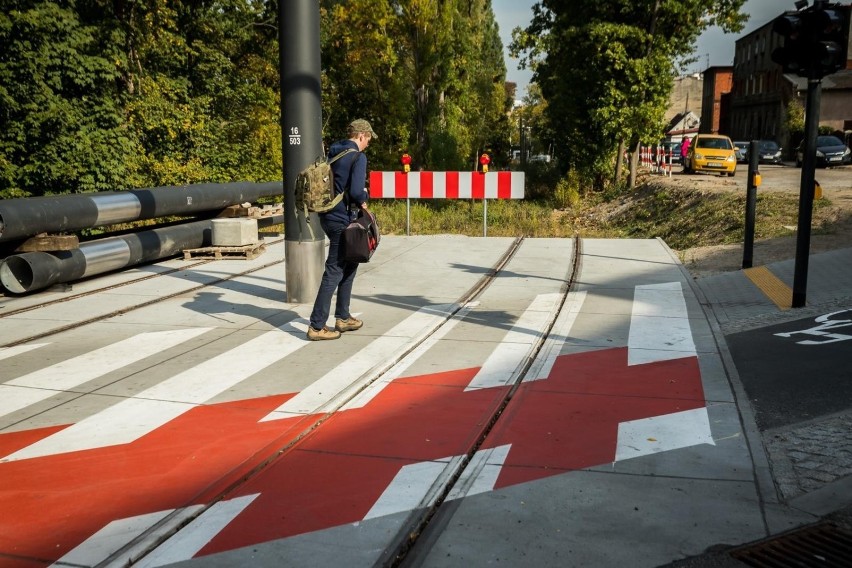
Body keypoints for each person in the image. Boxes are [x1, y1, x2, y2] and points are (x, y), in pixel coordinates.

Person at [307, 119, 377, 341]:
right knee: (335, 269)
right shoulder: (357, 156)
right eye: (368, 140)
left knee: (350, 264)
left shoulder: (334, 152)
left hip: (327, 215)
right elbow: (356, 192)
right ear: (361, 136)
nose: (368, 144)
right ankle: (317, 326)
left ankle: (343, 317)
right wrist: (364, 196)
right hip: (341, 219)